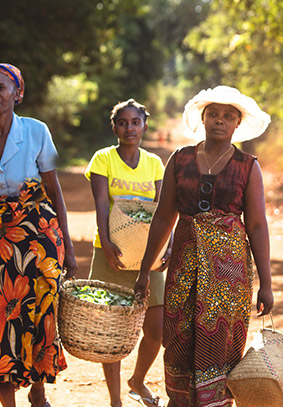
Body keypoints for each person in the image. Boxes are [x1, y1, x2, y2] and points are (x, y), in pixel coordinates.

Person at [134, 85, 274, 407]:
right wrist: (144, 271)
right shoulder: (180, 160)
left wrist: (266, 284)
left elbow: (256, 225)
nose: (219, 121)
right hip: (184, 268)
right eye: (213, 114)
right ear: (203, 118)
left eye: (228, 116)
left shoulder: (247, 166)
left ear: (237, 123)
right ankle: (180, 400)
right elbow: (162, 217)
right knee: (179, 337)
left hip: (229, 274)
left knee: (221, 342)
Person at [0, 63, 77, 407]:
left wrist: (70, 249)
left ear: (18, 94)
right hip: (2, 237)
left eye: (1, 87)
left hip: (38, 235)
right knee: (4, 317)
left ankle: (38, 387)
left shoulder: (35, 131)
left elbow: (53, 190)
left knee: (41, 310)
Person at [85, 99, 167, 407]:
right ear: (114, 127)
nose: (129, 127)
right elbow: (102, 205)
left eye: (135, 122)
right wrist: (105, 244)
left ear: (145, 126)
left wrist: (166, 246)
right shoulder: (103, 159)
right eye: (123, 122)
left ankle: (138, 380)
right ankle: (115, 399)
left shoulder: (155, 164)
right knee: (113, 330)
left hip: (149, 256)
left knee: (156, 328)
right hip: (113, 254)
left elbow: (162, 212)